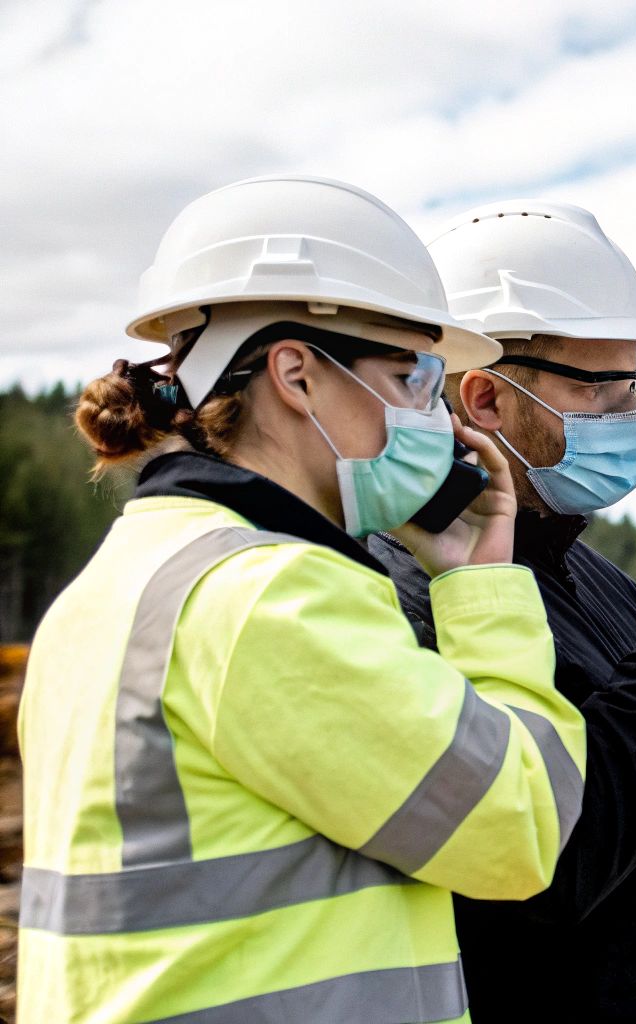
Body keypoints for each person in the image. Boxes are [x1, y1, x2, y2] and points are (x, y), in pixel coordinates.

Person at [18, 175, 586, 1023]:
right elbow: (519, 830)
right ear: (297, 374)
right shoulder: (273, 594)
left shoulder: (122, 580)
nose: (435, 418)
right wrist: (481, 585)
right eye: (412, 375)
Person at [368, 199, 636, 1022]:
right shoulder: (407, 599)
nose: (628, 417)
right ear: (485, 399)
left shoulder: (597, 580)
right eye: (603, 390)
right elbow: (547, 870)